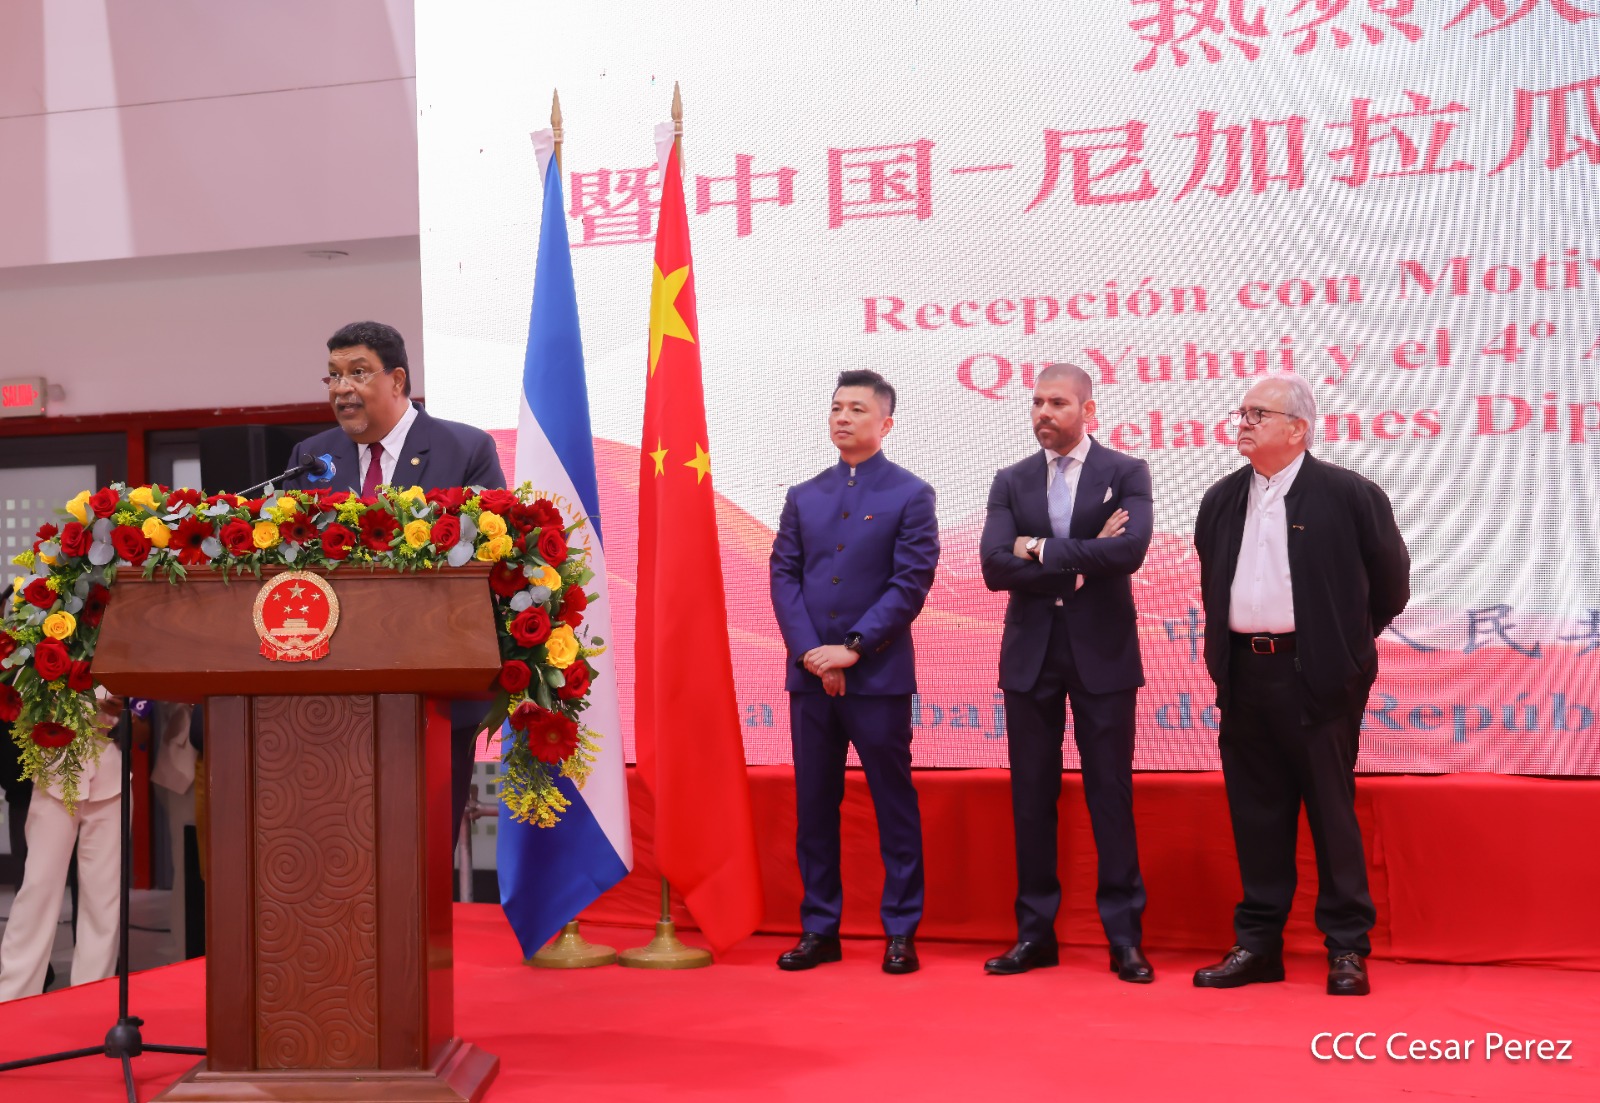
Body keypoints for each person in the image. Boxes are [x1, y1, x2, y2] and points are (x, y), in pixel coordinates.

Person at [1191, 374, 1409, 997]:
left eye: (1258, 413)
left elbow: (1391, 584)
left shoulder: (1349, 495)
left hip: (1317, 678)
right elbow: (1214, 582)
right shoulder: (1220, 500)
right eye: (1242, 412)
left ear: (1298, 429)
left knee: (1331, 814)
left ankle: (1347, 948)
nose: (1244, 422)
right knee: (1256, 814)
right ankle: (1259, 945)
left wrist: (1343, 647)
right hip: (1244, 675)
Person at [284, 321, 506, 844]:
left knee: (421, 848)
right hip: (328, 698)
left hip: (434, 690)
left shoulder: (463, 449)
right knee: (336, 844)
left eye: (358, 373)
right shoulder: (311, 458)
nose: (342, 389)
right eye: (333, 376)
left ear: (398, 380)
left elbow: (490, 560)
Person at [978, 362, 1155, 982]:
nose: (1043, 413)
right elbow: (994, 567)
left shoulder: (1126, 472)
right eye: (1036, 403)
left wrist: (1038, 549)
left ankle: (1124, 938)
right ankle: (1034, 935)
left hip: (1103, 654)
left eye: (1057, 402)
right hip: (1031, 656)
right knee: (1031, 796)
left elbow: (1129, 551)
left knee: (1110, 792)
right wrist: (1082, 563)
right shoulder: (1011, 480)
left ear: (1087, 410)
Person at [769, 369, 940, 975]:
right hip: (809, 679)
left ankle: (901, 930)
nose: (843, 417)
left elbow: (910, 581)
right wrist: (811, 653)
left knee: (893, 804)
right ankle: (820, 928)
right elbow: (784, 576)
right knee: (815, 806)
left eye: (858, 409)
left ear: (885, 423)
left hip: (878, 678)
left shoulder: (911, 494)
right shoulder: (803, 495)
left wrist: (854, 649)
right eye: (837, 407)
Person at [0, 692, 123, 1001]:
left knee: (104, 897)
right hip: (55, 766)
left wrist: (125, 707)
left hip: (112, 765)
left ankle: (93, 1000)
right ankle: (12, 997)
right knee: (38, 888)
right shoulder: (30, 659)